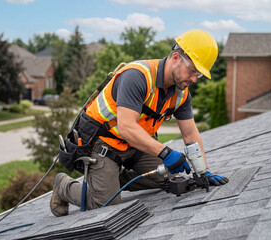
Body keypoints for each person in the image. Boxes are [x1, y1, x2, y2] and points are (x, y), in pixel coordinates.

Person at [50, 29, 229, 217]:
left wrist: (203, 171)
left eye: (198, 75)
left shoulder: (181, 94)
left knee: (169, 179)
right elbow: (126, 127)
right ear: (176, 57)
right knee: (104, 203)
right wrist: (165, 152)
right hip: (102, 143)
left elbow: (190, 134)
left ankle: (109, 181)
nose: (193, 79)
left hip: (135, 144)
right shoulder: (137, 76)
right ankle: (64, 186)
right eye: (192, 71)